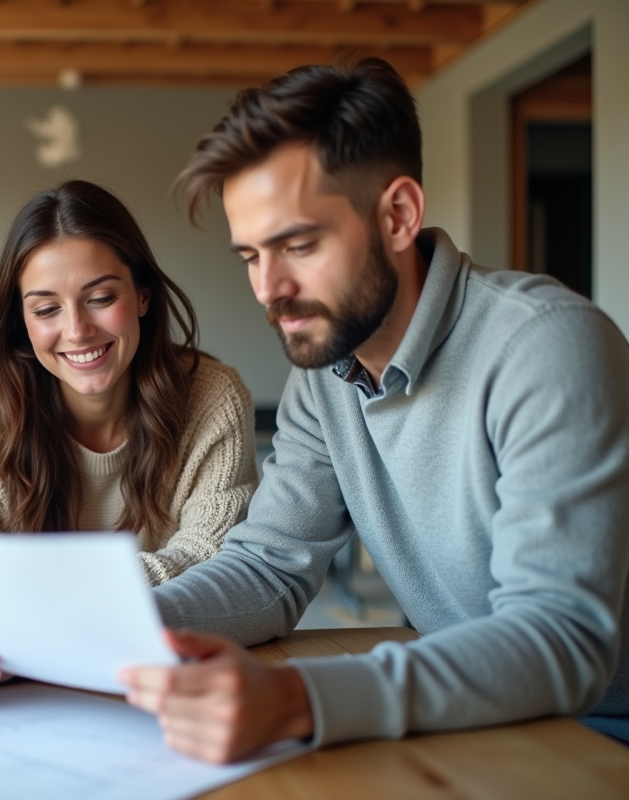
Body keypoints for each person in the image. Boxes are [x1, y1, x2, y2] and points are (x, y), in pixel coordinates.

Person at [112, 57, 629, 761]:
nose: (269, 289)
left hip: (595, 732)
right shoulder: (327, 376)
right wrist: (103, 625)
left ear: (398, 215)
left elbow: (561, 637)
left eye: (298, 245)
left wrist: (302, 698)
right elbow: (270, 566)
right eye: (249, 256)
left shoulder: (546, 345)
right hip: (466, 721)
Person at [0, 180, 259, 709]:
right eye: (46, 309)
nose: (77, 330)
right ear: (22, 322)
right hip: (18, 698)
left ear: (142, 296)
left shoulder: (214, 397)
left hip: (159, 686)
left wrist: (27, 598)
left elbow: (214, 566)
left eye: (100, 298)